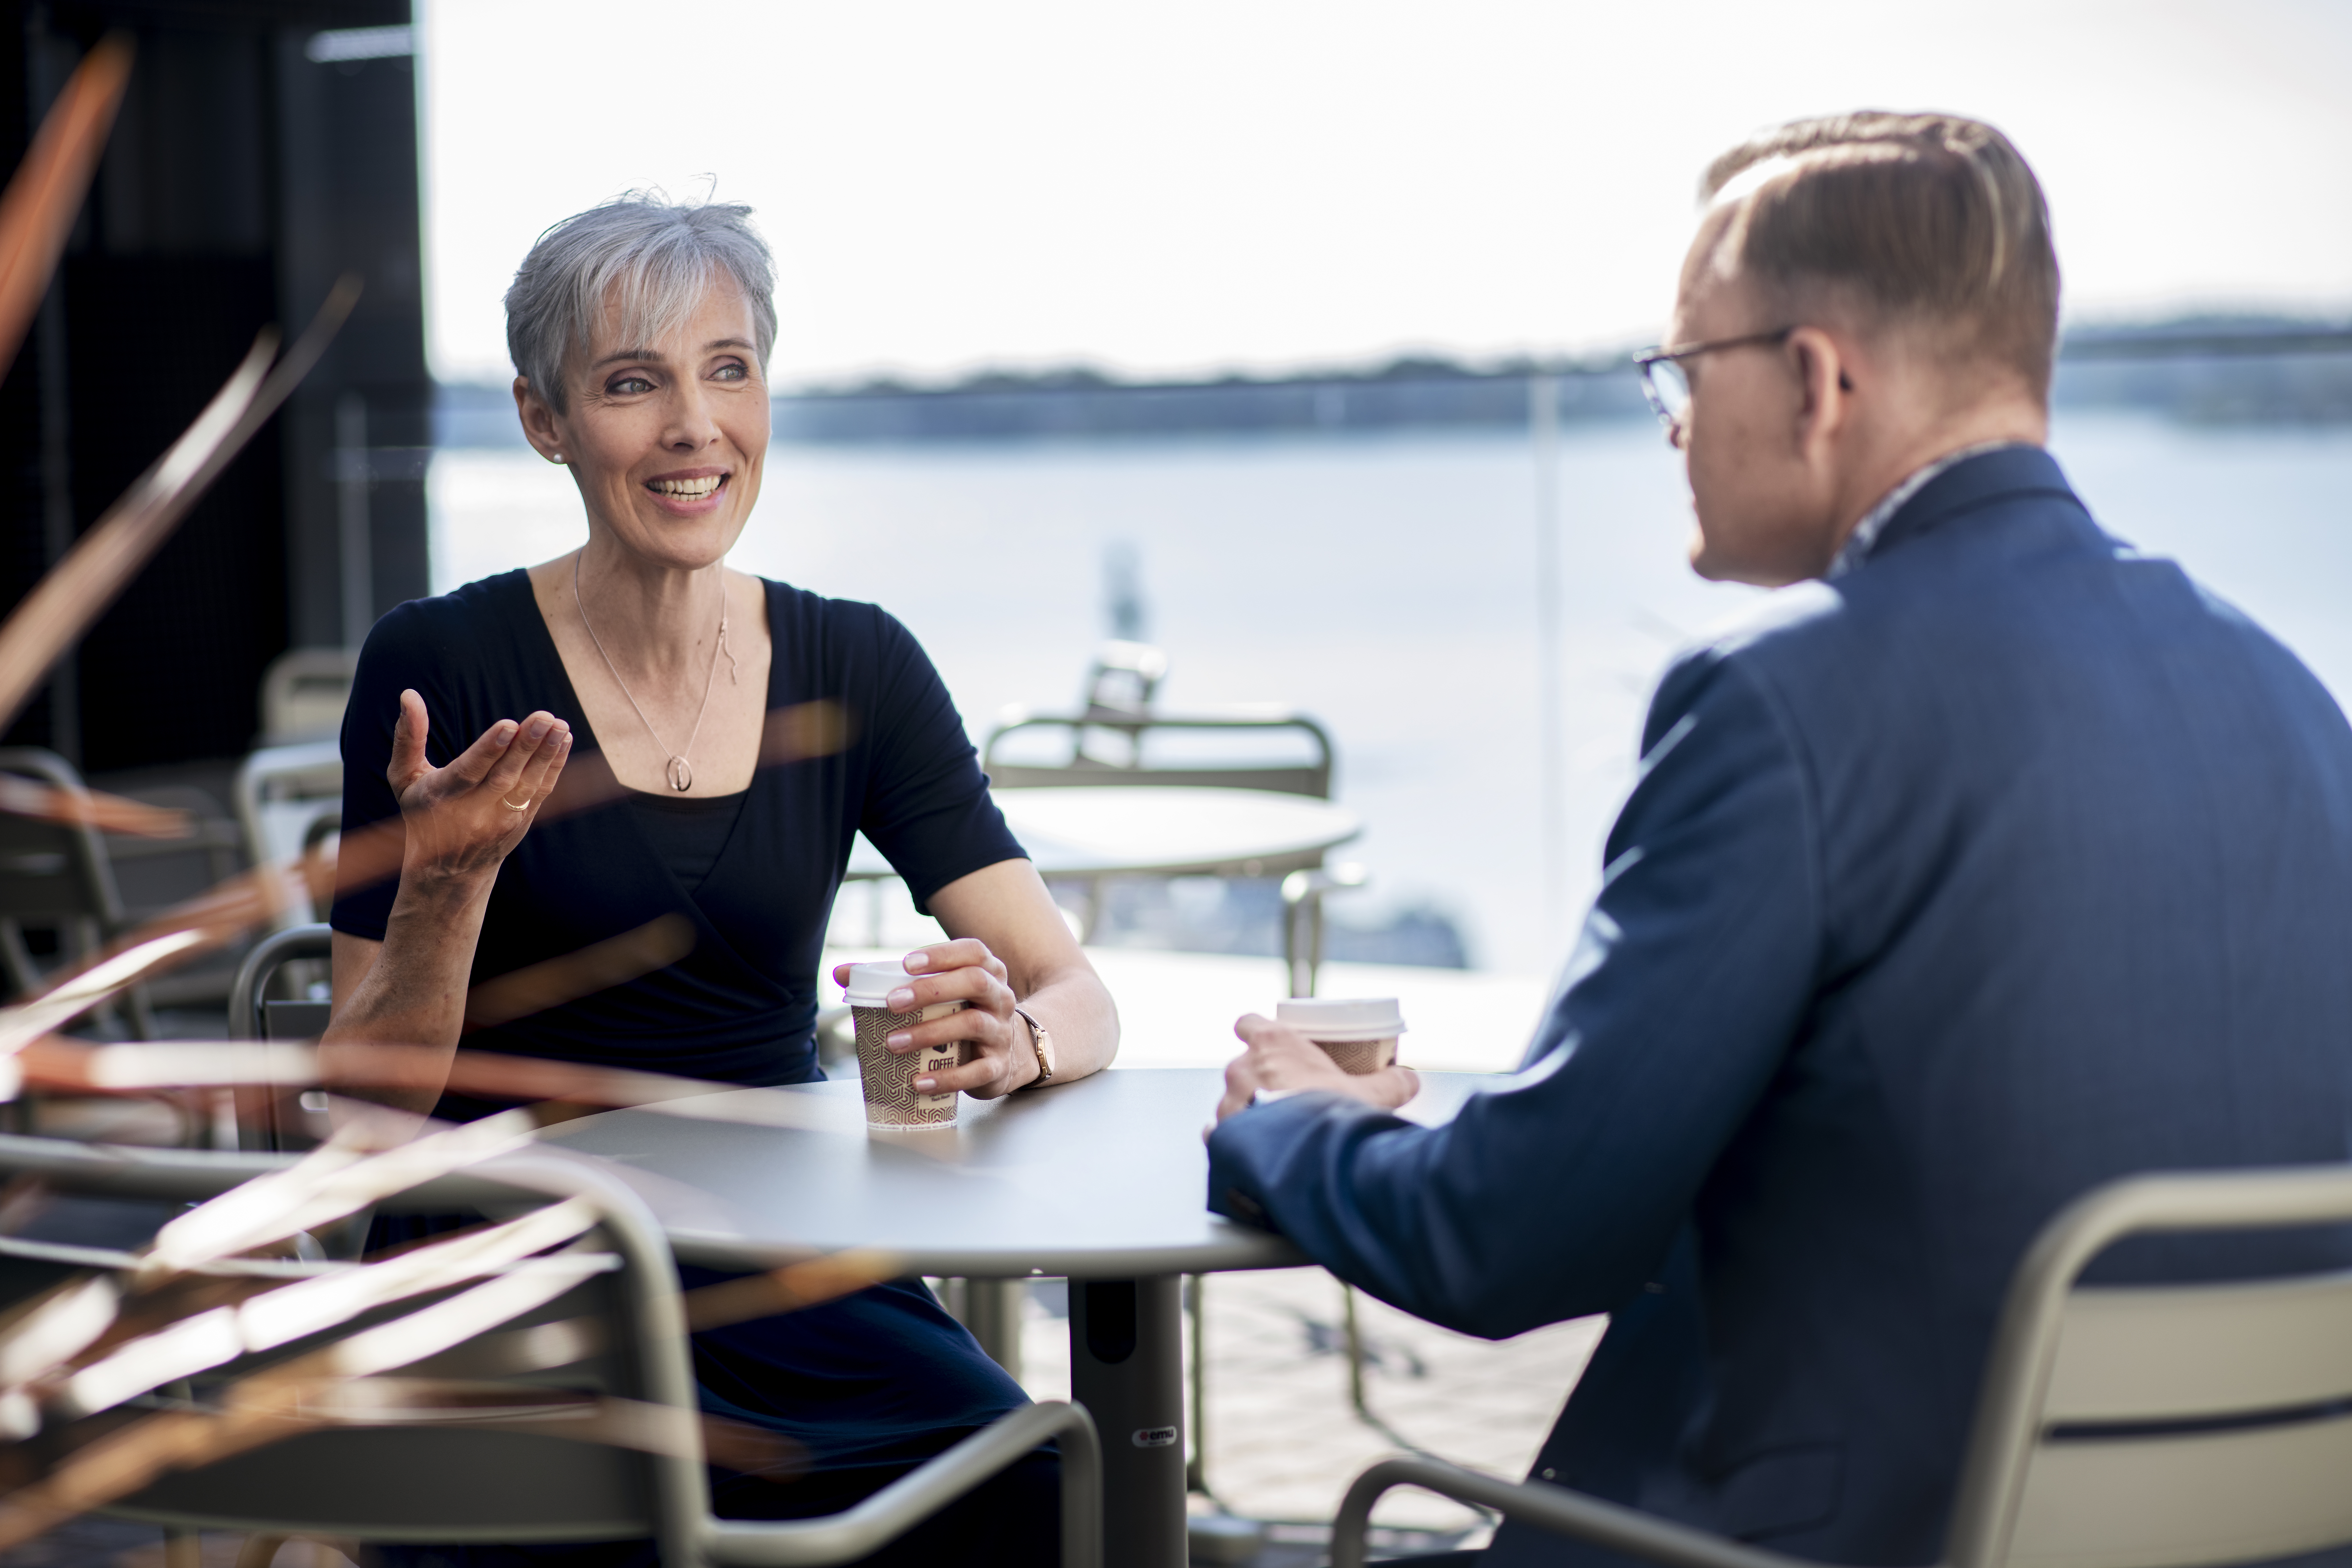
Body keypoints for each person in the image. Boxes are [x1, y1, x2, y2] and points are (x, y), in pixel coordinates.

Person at [1207, 113, 2352, 1565]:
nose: (1674, 421)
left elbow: (1504, 1237)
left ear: (1815, 380)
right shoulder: (2290, 694)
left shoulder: (1779, 699)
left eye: (1684, 369)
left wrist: (1299, 1120)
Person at [321, 192, 1117, 1567]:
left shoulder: (857, 664)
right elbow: (357, 1107)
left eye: (727, 369)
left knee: (1030, 1487)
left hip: (786, 1264)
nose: (695, 424)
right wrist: (446, 887)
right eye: (635, 383)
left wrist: (1024, 1041)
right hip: (512, 1264)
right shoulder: (438, 663)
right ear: (545, 419)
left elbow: (1078, 989)